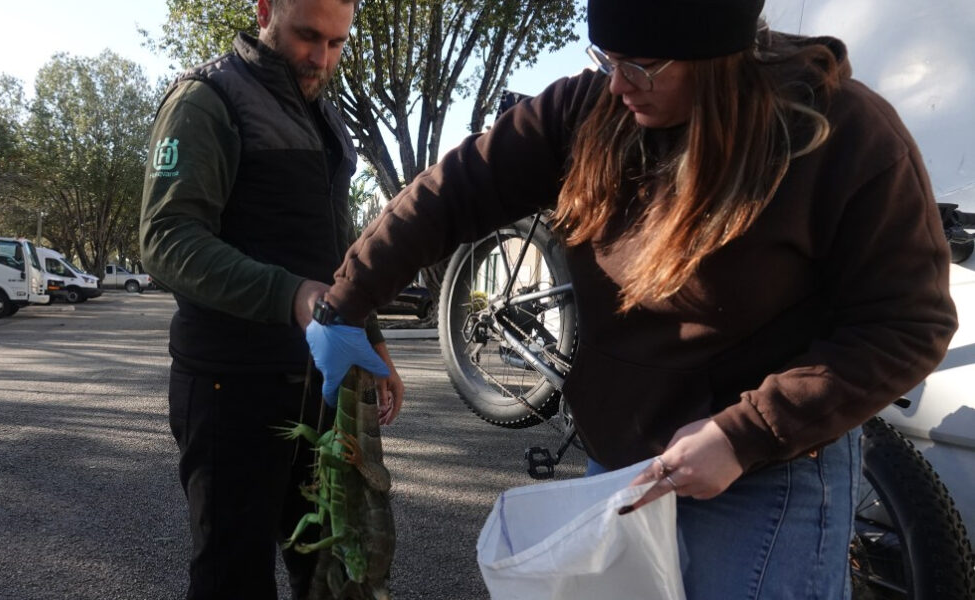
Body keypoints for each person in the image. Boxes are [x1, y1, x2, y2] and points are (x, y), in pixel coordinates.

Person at [306, 0, 958, 597]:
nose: (617, 85)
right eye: (606, 59)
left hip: (765, 469)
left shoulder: (841, 132)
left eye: (641, 67)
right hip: (621, 457)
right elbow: (451, 192)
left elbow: (906, 322)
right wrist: (346, 304)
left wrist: (745, 434)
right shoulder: (589, 107)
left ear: (717, 58)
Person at [139, 0, 402, 597]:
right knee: (233, 576)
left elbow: (339, 249)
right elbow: (166, 239)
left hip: (318, 386)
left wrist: (375, 338)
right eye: (309, 36)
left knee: (332, 569)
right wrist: (288, 293)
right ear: (264, 10)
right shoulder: (206, 100)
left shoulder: (327, 117)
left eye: (337, 43)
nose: (322, 57)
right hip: (228, 388)